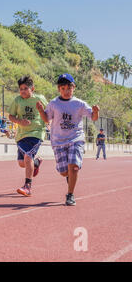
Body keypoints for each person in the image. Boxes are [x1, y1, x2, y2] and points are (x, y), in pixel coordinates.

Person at [36, 73, 100, 206]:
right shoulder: (54, 103)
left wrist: (96, 112)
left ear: (74, 88)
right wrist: (41, 111)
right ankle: (68, 177)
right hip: (58, 141)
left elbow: (93, 117)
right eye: (63, 88)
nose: (66, 91)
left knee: (74, 168)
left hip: (76, 139)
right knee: (64, 172)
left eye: (69, 88)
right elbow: (47, 119)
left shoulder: (79, 104)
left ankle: (70, 195)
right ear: (59, 89)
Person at [8, 76, 48, 197]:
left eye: (26, 88)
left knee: (27, 156)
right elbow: (11, 116)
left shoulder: (39, 98)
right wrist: (20, 122)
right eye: (21, 89)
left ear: (32, 88)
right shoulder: (17, 100)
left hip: (36, 133)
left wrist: (47, 118)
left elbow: (49, 112)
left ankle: (27, 186)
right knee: (21, 163)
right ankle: (36, 163)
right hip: (21, 135)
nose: (23, 91)